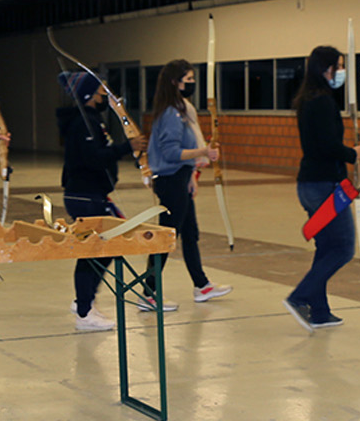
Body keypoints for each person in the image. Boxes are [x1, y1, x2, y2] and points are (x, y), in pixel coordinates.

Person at [56, 69, 145, 331]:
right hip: (85, 196)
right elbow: (93, 157)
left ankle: (84, 301)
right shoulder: (84, 122)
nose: (105, 97)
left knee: (102, 247)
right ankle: (84, 311)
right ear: (89, 95)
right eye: (101, 92)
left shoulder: (91, 119)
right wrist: (127, 147)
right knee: (95, 250)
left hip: (92, 194)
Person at [285, 46, 360, 329]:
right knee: (342, 247)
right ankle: (300, 296)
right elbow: (326, 146)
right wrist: (353, 153)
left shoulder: (309, 99)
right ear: (325, 69)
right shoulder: (322, 102)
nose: (340, 71)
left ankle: (318, 310)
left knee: (326, 246)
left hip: (311, 184)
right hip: (323, 186)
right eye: (338, 66)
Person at [147, 58, 232, 305]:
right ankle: (149, 291)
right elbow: (171, 152)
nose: (192, 84)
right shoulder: (172, 113)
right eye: (189, 80)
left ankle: (202, 285)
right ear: (175, 82)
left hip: (179, 179)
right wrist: (203, 152)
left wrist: (191, 177)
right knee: (167, 236)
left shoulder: (180, 109)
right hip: (170, 180)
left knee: (190, 233)